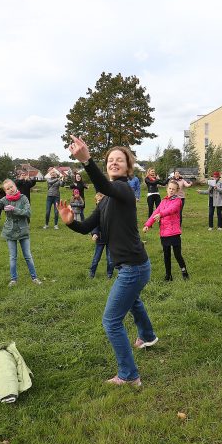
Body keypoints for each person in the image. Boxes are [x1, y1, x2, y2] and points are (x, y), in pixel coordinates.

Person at [60, 136, 160, 386]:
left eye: (120, 160)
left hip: (134, 267)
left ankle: (128, 376)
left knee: (111, 321)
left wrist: (86, 161)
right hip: (132, 266)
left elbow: (105, 185)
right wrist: (71, 222)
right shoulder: (105, 200)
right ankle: (147, 336)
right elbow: (86, 228)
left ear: (128, 167)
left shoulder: (124, 189)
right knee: (133, 301)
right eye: (110, 161)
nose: (114, 163)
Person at [0, 179, 42, 286]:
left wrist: (14, 209)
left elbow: (28, 213)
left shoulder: (23, 198)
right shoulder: (4, 199)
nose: (10, 189)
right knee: (13, 257)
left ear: (15, 186)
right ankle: (13, 280)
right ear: (5, 191)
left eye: (11, 187)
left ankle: (34, 278)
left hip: (23, 230)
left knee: (28, 256)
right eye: (7, 189)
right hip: (10, 231)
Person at [143, 180, 189, 281]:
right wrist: (148, 224)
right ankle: (168, 275)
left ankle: (184, 271)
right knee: (166, 255)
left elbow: (171, 209)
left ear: (177, 191)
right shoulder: (163, 201)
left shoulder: (178, 201)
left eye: (173, 189)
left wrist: (161, 214)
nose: (171, 190)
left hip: (174, 232)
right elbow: (155, 212)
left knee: (177, 255)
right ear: (167, 189)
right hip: (164, 233)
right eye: (170, 188)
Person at [89, 192, 113, 279]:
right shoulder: (96, 213)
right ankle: (92, 273)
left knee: (110, 259)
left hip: (110, 239)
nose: (100, 202)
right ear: (96, 202)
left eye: (102, 200)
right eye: (98, 201)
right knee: (96, 258)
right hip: (100, 238)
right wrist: (94, 233)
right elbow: (94, 225)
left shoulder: (110, 213)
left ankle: (109, 274)